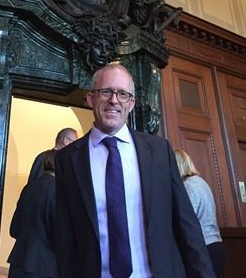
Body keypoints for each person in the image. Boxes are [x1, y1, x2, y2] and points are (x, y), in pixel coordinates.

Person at [55, 63, 216, 278]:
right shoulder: (68, 158)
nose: (114, 100)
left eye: (123, 94)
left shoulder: (158, 151)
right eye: (106, 91)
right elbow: (64, 235)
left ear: (131, 104)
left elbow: (186, 224)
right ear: (91, 98)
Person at [8, 149, 58, 278]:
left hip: (18, 262)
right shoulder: (58, 192)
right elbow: (58, 235)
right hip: (44, 266)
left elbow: (14, 229)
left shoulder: (29, 188)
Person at [175, 149, 225, 278]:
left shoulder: (189, 186)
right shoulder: (201, 182)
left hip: (203, 248)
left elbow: (187, 219)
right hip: (215, 244)